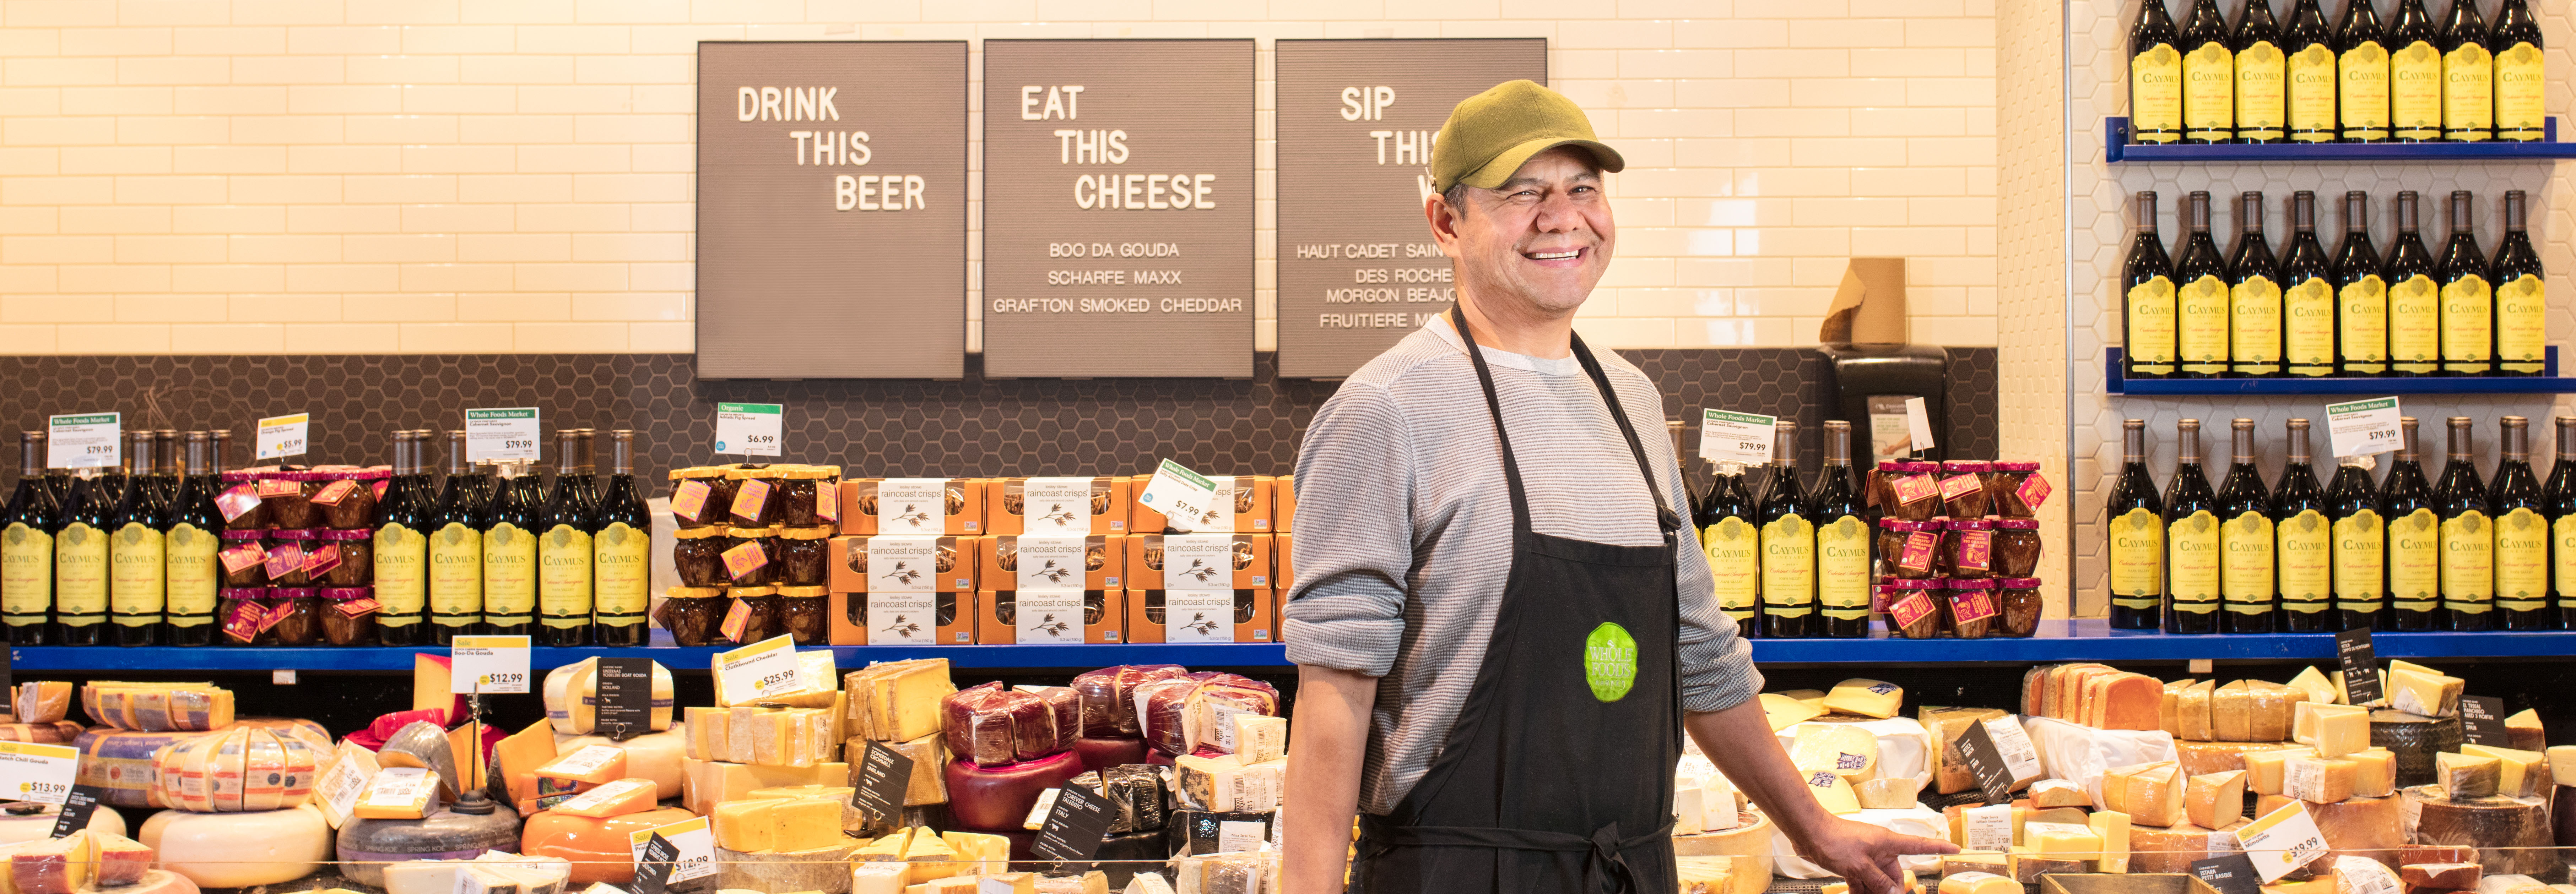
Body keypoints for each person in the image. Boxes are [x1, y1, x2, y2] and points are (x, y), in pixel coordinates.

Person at [1278, 80, 1955, 894]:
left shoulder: (1629, 399)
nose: (1561, 216)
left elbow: (1700, 658)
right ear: (1444, 222)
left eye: (1582, 189)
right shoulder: (1385, 409)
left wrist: (1814, 828)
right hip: (1457, 874)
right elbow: (1333, 701)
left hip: (1632, 869)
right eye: (1522, 192)